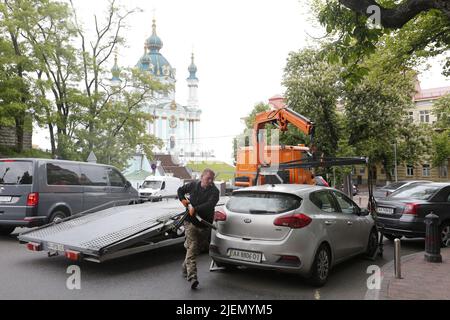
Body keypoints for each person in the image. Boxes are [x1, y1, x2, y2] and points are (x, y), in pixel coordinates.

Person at [177, 168, 220, 289]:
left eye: (212, 179)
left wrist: (195, 209)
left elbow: (209, 205)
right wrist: (184, 200)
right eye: (208, 178)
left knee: (195, 249)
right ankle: (192, 278)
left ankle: (185, 267)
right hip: (190, 222)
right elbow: (180, 190)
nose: (210, 181)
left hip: (204, 224)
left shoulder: (214, 191)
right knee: (193, 246)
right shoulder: (193, 185)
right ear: (202, 177)